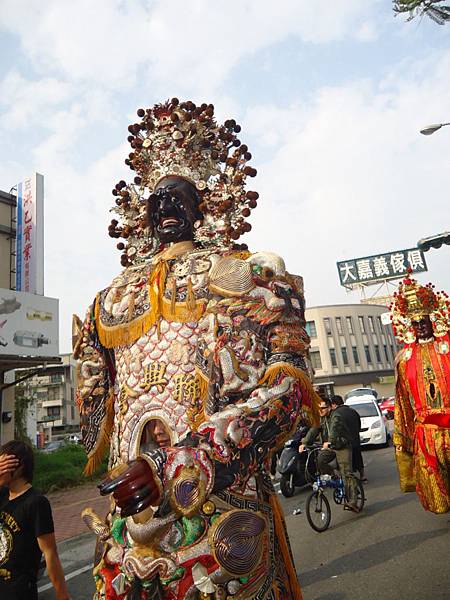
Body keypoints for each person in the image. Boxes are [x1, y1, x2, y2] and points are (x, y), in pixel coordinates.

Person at [74, 99, 320, 599]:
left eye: (178, 196)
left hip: (221, 508)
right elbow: (93, 419)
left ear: (203, 207)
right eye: (156, 199)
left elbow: (291, 390)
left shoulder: (248, 276)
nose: (165, 206)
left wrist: (194, 455)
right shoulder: (108, 302)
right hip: (132, 528)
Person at [390, 272, 450, 513]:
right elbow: (403, 401)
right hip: (426, 431)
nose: (421, 326)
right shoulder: (405, 359)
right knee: (437, 479)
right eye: (415, 323)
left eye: (424, 320)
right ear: (410, 327)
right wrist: (404, 439)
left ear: (432, 320)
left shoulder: (446, 348)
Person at [0, 440, 71, 600]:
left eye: (4, 463)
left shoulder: (36, 502)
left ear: (19, 467)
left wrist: (62, 594)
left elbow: (50, 552)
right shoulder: (2, 495)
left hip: (18, 592)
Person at [299, 397, 359, 511]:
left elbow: (334, 430)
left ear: (330, 407)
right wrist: (304, 443)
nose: (320, 410)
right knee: (320, 459)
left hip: (342, 445)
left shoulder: (336, 416)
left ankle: (353, 501)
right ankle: (333, 476)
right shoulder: (321, 419)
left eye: (323, 408)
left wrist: (330, 441)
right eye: (318, 408)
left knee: (346, 472)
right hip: (330, 447)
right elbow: (313, 430)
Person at [330, 395, 366, 482]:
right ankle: (362, 475)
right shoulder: (352, 411)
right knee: (358, 457)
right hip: (355, 438)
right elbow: (359, 424)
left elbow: (335, 428)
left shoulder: (336, 414)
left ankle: (348, 478)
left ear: (334, 404)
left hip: (344, 440)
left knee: (346, 460)